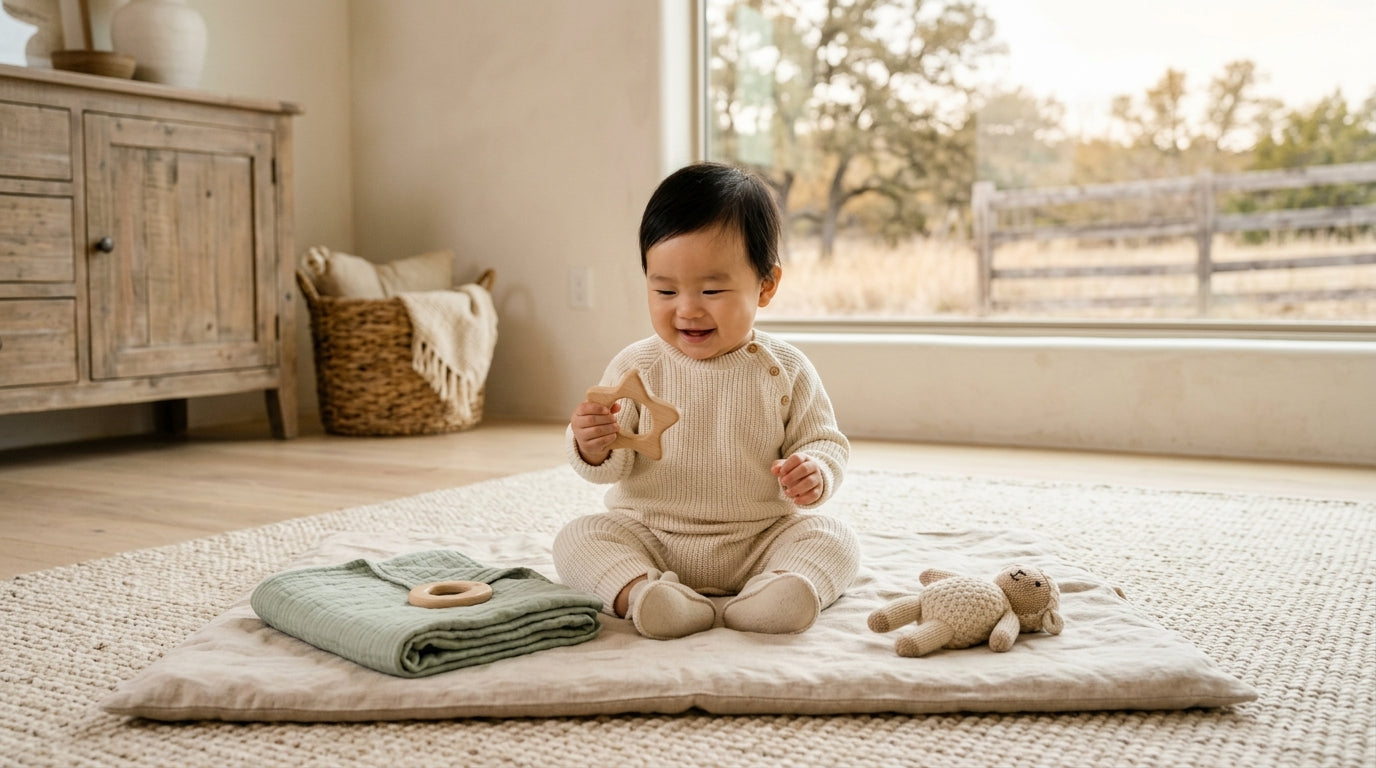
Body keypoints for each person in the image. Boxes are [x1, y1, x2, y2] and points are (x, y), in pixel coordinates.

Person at [552, 162, 860, 641]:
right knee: (577, 538)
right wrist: (591, 444)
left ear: (766, 285)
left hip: (760, 537)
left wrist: (815, 470)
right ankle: (645, 595)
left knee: (835, 539)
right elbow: (609, 465)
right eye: (665, 290)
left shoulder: (786, 368)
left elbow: (824, 440)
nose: (688, 308)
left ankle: (778, 590)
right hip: (650, 533)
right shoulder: (638, 367)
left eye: (712, 290)